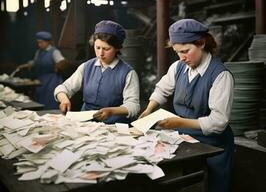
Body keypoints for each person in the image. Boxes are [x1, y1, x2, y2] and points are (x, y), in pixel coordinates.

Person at [139, 19, 234, 192]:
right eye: (177, 52)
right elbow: (162, 90)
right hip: (185, 138)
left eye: (185, 51)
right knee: (186, 182)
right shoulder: (178, 68)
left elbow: (219, 121)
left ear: (201, 43)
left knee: (213, 185)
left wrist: (179, 123)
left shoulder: (220, 75)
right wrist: (149, 109)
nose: (182, 58)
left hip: (213, 143)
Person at [54, 20, 140, 124]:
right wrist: (64, 99)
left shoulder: (128, 73)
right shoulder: (86, 67)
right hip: (86, 124)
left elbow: (133, 106)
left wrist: (111, 111)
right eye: (97, 47)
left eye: (106, 49)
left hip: (114, 127)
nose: (100, 53)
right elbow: (63, 87)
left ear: (117, 48)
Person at [18, 31, 65, 109]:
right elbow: (35, 62)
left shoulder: (54, 52)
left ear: (48, 42)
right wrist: (26, 65)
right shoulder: (39, 52)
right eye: (38, 43)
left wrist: (58, 65)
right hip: (41, 79)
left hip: (52, 81)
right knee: (40, 100)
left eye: (41, 42)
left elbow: (62, 62)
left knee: (49, 101)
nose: (39, 44)